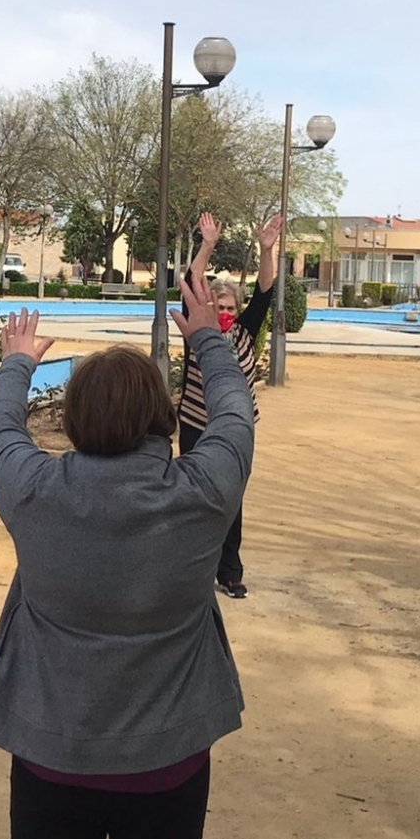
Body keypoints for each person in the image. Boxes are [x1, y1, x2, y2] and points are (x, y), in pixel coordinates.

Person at [0, 270, 251, 839]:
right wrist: (209, 340)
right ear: (162, 422)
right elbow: (233, 420)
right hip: (167, 768)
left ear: (78, 420)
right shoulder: (201, 496)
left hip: (52, 765)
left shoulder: (36, 491)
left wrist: (17, 361)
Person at [175, 212, 281, 598]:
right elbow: (190, 282)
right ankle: (192, 568)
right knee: (193, 496)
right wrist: (207, 245)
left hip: (234, 429)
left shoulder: (244, 334)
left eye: (230, 307)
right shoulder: (196, 331)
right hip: (194, 423)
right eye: (217, 304)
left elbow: (266, 293)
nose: (223, 312)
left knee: (232, 498)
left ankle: (230, 570)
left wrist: (266, 249)